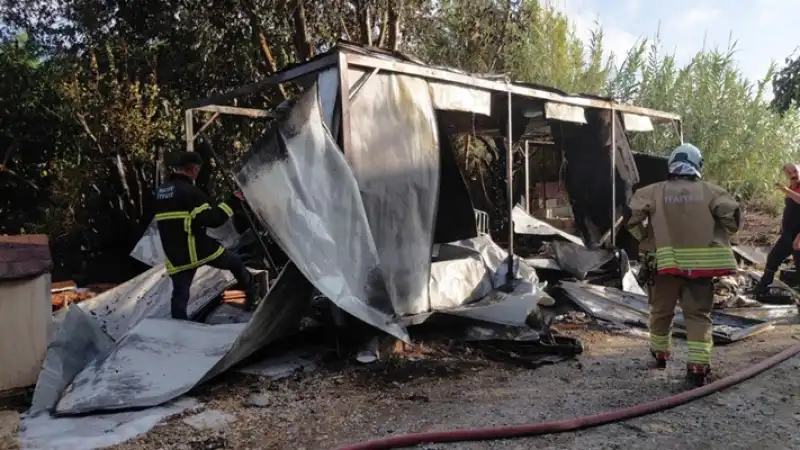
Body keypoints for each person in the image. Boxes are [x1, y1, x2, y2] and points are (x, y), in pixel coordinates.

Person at [627, 143, 741, 387]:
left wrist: (646, 239)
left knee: (661, 311)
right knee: (698, 314)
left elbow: (633, 220)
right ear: (698, 165)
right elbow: (732, 221)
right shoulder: (714, 192)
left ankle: (660, 354)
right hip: (701, 268)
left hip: (664, 265)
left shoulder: (652, 192)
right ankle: (698, 367)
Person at [154, 151, 259, 320]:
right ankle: (254, 298)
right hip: (196, 248)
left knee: (180, 294)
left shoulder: (161, 191)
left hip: (174, 253)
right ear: (194, 169)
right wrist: (233, 201)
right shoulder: (191, 192)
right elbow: (213, 220)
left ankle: (177, 332)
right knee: (235, 262)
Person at [752, 163, 800, 294]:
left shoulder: (790, 190)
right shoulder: (792, 187)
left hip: (798, 236)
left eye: (795, 171)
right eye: (789, 173)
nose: (793, 175)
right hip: (788, 234)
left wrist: (787, 191)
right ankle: (762, 288)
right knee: (773, 257)